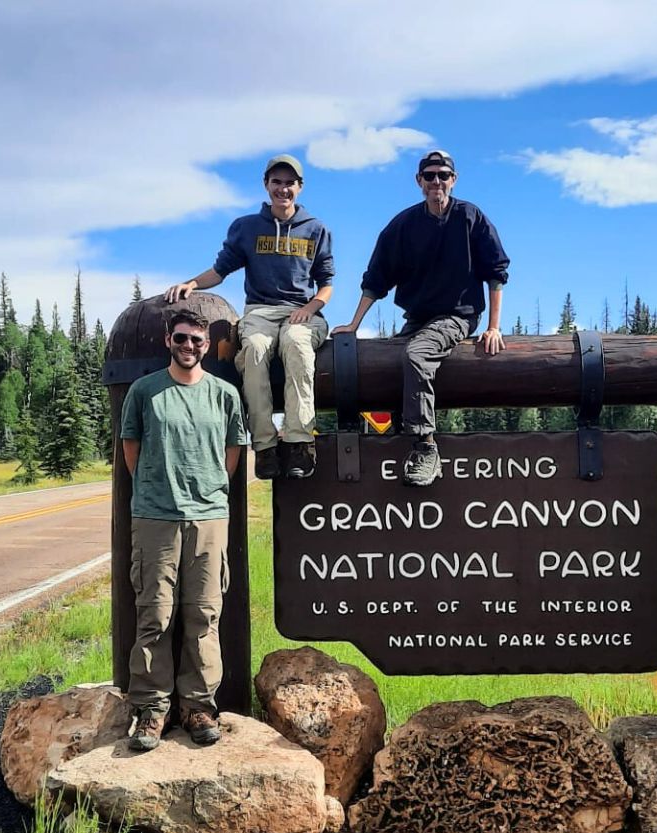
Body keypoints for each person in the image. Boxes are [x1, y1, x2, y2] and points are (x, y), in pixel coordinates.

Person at [332, 149, 509, 487]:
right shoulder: (403, 225)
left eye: (443, 175)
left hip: (457, 316)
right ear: (419, 181)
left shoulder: (470, 217)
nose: (436, 181)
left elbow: (496, 272)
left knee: (417, 355)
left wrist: (494, 327)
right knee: (385, 364)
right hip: (418, 319)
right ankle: (395, 439)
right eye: (430, 176)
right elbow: (376, 278)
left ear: (454, 180)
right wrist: (353, 325)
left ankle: (426, 447)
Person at [118, 308, 249, 752]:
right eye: (181, 338)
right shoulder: (145, 392)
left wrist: (210, 488)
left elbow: (233, 451)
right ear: (167, 341)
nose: (188, 346)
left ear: (207, 345)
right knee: (154, 615)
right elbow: (131, 448)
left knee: (204, 615)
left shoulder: (225, 395)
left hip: (209, 518)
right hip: (155, 518)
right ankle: (152, 710)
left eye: (196, 339)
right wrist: (155, 488)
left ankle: (198, 707)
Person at [164, 154, 334, 481]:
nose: (283, 189)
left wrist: (310, 308)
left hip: (302, 311)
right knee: (254, 350)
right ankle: (265, 445)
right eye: (276, 182)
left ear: (300, 187)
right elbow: (220, 270)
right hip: (259, 312)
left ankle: (299, 442)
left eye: (289, 183)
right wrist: (192, 284)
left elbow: (326, 284)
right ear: (266, 185)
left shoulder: (316, 229)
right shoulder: (247, 228)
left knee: (296, 344)